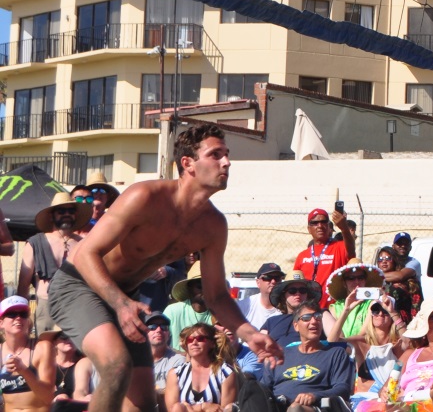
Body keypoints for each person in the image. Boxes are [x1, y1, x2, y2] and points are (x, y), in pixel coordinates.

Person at [56, 122, 280, 412]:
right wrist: (122, 304)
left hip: (124, 297)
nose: (226, 162)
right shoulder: (145, 197)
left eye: (226, 154)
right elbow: (86, 253)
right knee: (116, 366)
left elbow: (216, 295)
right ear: (188, 163)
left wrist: (250, 334)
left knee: (143, 404)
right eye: (215, 155)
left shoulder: (213, 225)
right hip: (78, 285)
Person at [271, 303, 353, 412]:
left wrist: (315, 396)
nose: (314, 321)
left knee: (295, 409)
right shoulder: (281, 355)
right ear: (296, 325)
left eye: (318, 317)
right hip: (277, 405)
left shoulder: (335, 354)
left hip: (313, 407)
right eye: (306, 318)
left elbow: (343, 388)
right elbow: (264, 387)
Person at [17, 195, 89, 317]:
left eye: (71, 211)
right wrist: (22, 314)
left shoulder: (84, 244)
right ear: (51, 216)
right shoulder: (35, 243)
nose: (66, 214)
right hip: (46, 308)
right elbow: (23, 286)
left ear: (75, 215)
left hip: (78, 307)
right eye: (61, 211)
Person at [330, 290, 410, 399]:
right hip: (365, 400)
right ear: (370, 314)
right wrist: (346, 310)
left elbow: (409, 343)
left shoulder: (399, 343)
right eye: (376, 310)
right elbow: (332, 342)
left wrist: (393, 312)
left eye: (385, 311)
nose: (380, 314)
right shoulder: (361, 342)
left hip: (391, 397)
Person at [0, 294, 56, 412]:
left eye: (23, 314)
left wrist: (24, 371)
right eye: (12, 314)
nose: (18, 318)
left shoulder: (42, 348)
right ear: (1, 323)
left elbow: (48, 397)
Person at [165, 324, 237, 412]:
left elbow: (225, 409)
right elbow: (173, 409)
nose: (194, 343)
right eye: (190, 340)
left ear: (212, 343)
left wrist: (188, 408)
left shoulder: (225, 372)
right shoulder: (176, 373)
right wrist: (203, 407)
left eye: (200, 339)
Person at [292, 209, 353, 291]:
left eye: (323, 222)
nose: (320, 225)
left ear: (328, 226)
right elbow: (295, 283)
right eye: (315, 223)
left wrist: (344, 228)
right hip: (309, 303)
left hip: (334, 303)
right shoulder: (302, 256)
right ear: (309, 229)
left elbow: (351, 250)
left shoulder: (339, 247)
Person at [163, 266, 214, 344]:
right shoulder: (172, 311)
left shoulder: (218, 313)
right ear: (189, 288)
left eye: (209, 286)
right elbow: (160, 343)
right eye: (200, 287)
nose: (205, 290)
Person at [264, 279, 320, 351]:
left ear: (308, 295)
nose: (298, 294)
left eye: (302, 290)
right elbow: (260, 345)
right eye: (292, 291)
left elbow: (334, 338)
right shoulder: (272, 321)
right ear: (283, 295)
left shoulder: (319, 315)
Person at [144, 315, 185, 409]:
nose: (159, 330)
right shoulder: (136, 361)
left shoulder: (178, 361)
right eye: (152, 327)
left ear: (168, 334)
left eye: (163, 327)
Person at [240, 264, 284, 331]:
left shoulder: (286, 307)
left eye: (277, 278)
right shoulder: (245, 305)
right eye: (268, 278)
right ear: (258, 282)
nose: (273, 281)